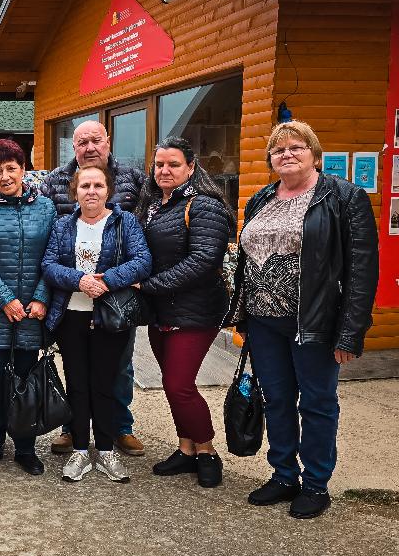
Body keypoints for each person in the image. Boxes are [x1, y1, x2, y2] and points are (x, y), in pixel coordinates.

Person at [231, 120, 378, 519]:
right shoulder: (261, 198)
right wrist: (241, 313)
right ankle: (283, 475)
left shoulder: (343, 197)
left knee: (316, 403)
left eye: (296, 147)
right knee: (276, 399)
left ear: (314, 154)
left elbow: (362, 270)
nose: (287, 154)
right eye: (278, 150)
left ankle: (315, 484)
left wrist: (350, 332)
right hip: (263, 321)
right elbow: (247, 259)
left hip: (313, 322)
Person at [39, 119, 147, 457]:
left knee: (118, 367)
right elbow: (48, 243)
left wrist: (112, 279)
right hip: (70, 298)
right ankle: (73, 429)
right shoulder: (54, 182)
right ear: (73, 147)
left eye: (95, 140)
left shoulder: (133, 178)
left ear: (108, 141)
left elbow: (143, 235)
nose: (89, 148)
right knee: (76, 370)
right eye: (82, 142)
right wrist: (76, 280)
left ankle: (119, 428)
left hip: (115, 300)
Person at [134, 138, 233, 488]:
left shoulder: (204, 205)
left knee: (180, 385)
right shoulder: (155, 205)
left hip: (195, 311)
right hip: (161, 310)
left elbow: (204, 261)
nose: (164, 170)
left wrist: (149, 285)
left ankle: (207, 452)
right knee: (172, 383)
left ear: (191, 167)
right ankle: (186, 448)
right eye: (159, 164)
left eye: (173, 164)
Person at [0, 139, 56, 475]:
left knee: (26, 380)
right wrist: (5, 299)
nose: (5, 176)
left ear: (23, 169)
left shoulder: (45, 207)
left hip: (32, 311)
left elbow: (54, 255)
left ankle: (25, 448)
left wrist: (42, 297)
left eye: (11, 169)